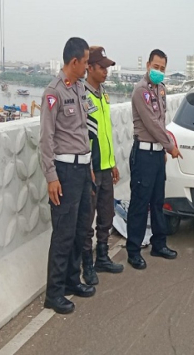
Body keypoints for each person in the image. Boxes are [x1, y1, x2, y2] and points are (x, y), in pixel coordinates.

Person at [39, 37, 96, 314]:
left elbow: (82, 131)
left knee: (80, 229)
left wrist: (90, 168)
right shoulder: (54, 92)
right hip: (64, 171)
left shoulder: (80, 88)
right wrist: (51, 176)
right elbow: (46, 139)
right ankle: (55, 293)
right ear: (74, 62)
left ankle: (73, 281)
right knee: (63, 233)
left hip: (83, 169)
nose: (87, 66)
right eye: (85, 61)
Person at [126, 49, 182, 270]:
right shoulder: (141, 91)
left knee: (158, 202)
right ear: (147, 65)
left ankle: (159, 244)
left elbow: (162, 121)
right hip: (143, 154)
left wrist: (163, 149)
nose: (158, 71)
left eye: (162, 68)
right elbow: (151, 124)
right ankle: (133, 250)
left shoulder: (160, 89)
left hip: (157, 153)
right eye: (155, 67)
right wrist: (170, 147)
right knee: (140, 204)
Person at [81, 46, 124, 286]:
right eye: (102, 67)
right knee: (88, 217)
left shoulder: (103, 94)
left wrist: (113, 162)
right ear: (90, 68)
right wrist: (89, 166)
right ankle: (87, 264)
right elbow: (84, 136)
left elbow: (106, 132)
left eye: (107, 67)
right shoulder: (83, 95)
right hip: (91, 167)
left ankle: (103, 256)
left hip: (106, 166)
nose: (106, 71)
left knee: (106, 215)